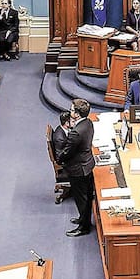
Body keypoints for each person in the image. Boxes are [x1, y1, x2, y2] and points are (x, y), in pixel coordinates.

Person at [63, 99, 95, 237]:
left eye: (71, 110)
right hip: (87, 165)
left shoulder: (76, 132)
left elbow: (67, 152)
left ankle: (84, 227)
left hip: (78, 169)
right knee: (86, 197)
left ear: (76, 114)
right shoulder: (88, 123)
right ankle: (83, 219)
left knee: (81, 199)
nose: (70, 112)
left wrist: (60, 159)